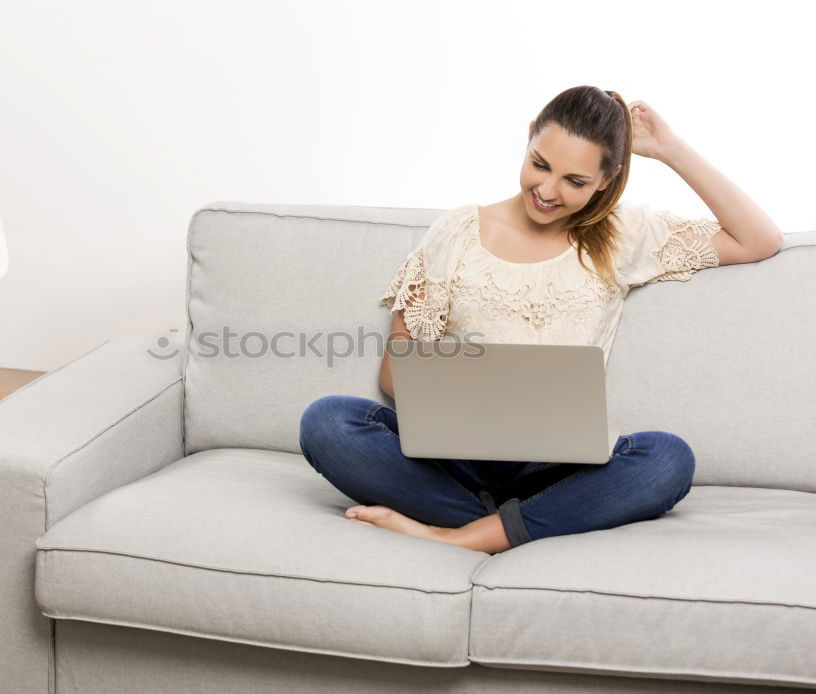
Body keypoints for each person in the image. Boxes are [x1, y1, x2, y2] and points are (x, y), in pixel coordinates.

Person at [298, 85, 783, 554]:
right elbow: (393, 369)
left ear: (607, 178)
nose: (547, 191)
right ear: (530, 137)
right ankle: (528, 522)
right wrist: (471, 390)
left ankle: (458, 535)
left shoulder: (624, 235)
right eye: (539, 165)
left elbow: (757, 239)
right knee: (328, 422)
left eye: (575, 182)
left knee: (669, 459)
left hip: (554, 466)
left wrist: (670, 149)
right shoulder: (458, 231)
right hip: (455, 458)